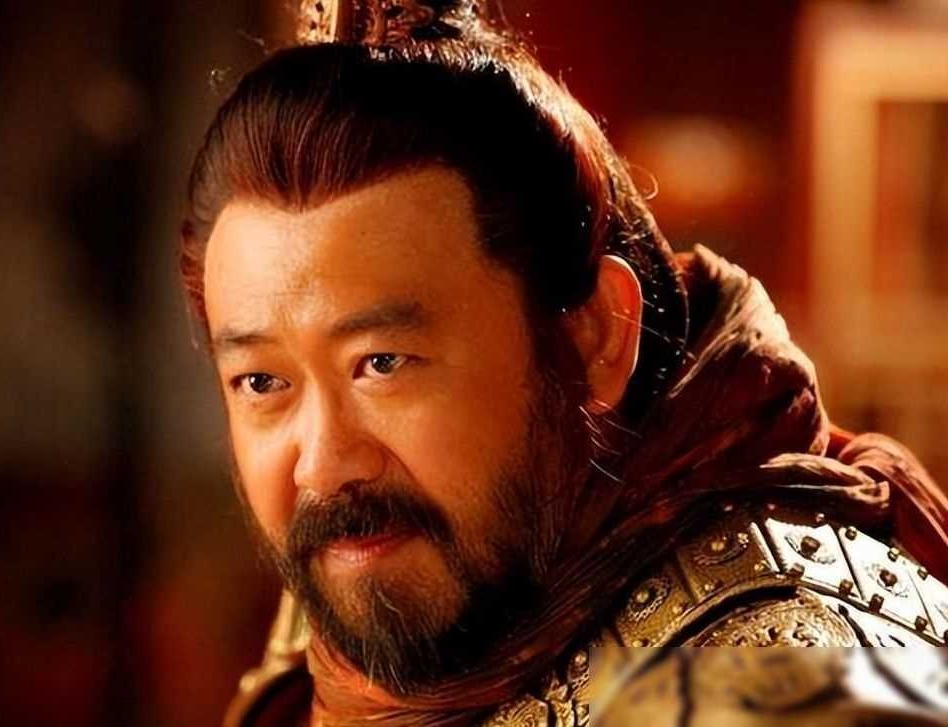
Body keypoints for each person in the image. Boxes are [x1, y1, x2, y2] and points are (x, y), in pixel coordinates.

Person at [178, 1, 948, 725]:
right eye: (263, 381)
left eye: (382, 362)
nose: (322, 464)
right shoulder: (371, 597)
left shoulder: (790, 682)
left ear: (594, 339)